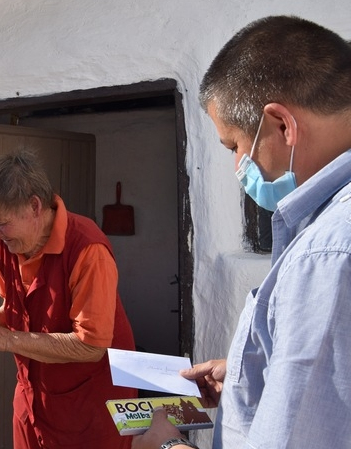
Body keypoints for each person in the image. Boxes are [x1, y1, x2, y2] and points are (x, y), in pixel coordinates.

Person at [132, 15, 351, 449]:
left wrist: (167, 445)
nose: (238, 168)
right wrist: (248, 373)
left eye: (234, 146)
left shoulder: (327, 253)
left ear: (282, 126)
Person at [0, 151, 137, 449]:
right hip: (33, 398)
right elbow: (16, 308)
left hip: (89, 407)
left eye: (2, 222)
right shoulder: (9, 244)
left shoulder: (88, 249)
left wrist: (4, 338)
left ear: (35, 206)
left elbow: (91, 346)